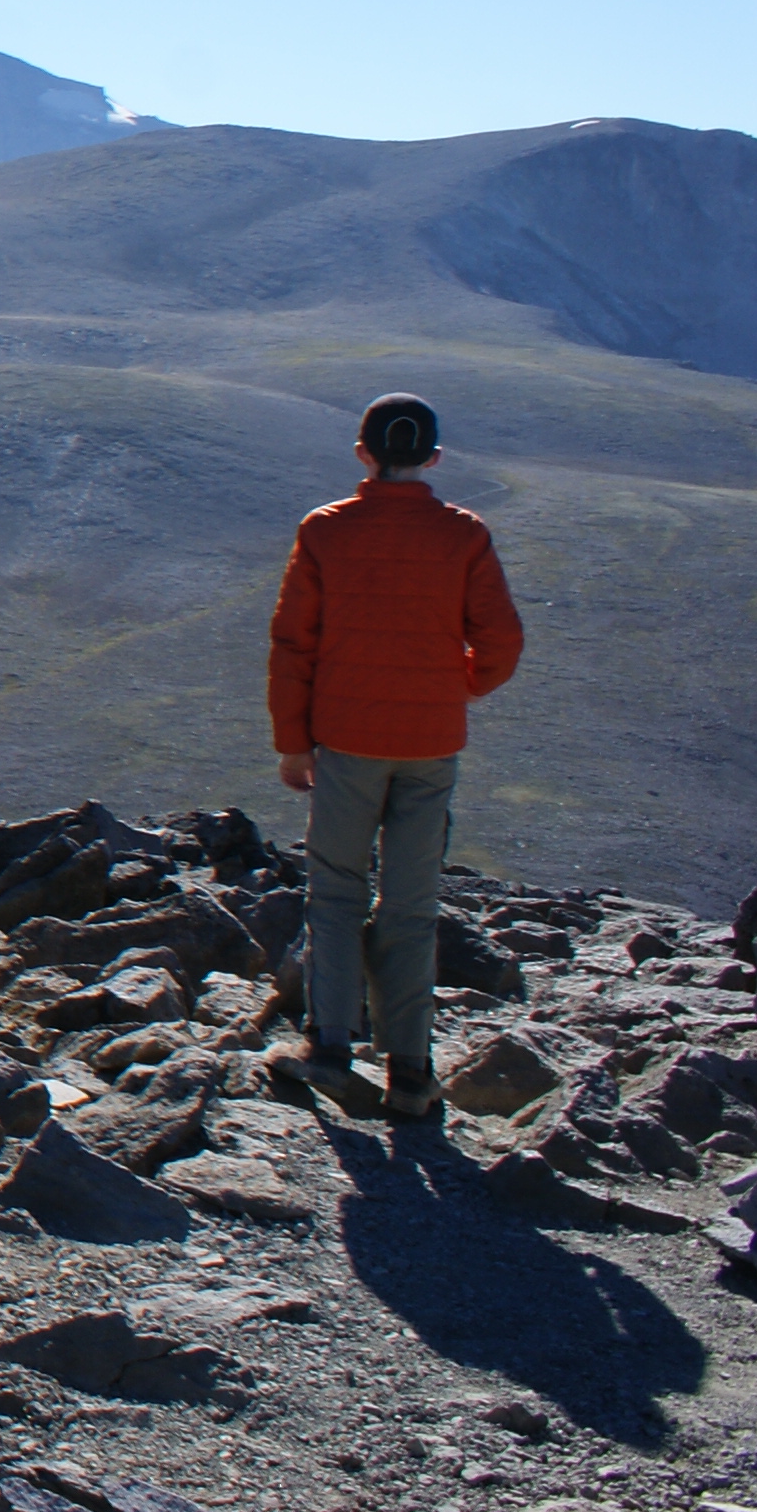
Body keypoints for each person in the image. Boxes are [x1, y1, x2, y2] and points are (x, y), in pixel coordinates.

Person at [262, 392, 524, 1123]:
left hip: (346, 740)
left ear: (361, 453)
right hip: (431, 743)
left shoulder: (326, 531)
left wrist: (291, 743)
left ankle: (331, 1049)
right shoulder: (463, 535)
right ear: (434, 458)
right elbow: (501, 641)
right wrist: (454, 688)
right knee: (412, 904)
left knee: (337, 889)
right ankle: (411, 1070)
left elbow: (293, 644)